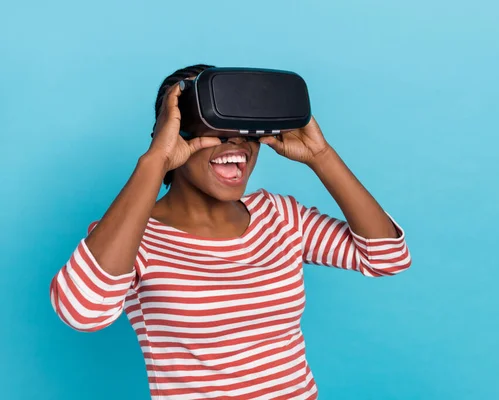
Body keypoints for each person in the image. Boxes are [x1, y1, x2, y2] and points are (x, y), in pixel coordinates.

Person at [50, 63, 412, 400]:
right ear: (174, 136)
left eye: (244, 131)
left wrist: (321, 155)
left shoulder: (280, 216)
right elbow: (82, 312)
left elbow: (387, 257)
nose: (235, 143)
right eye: (217, 129)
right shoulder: (132, 237)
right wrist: (154, 159)